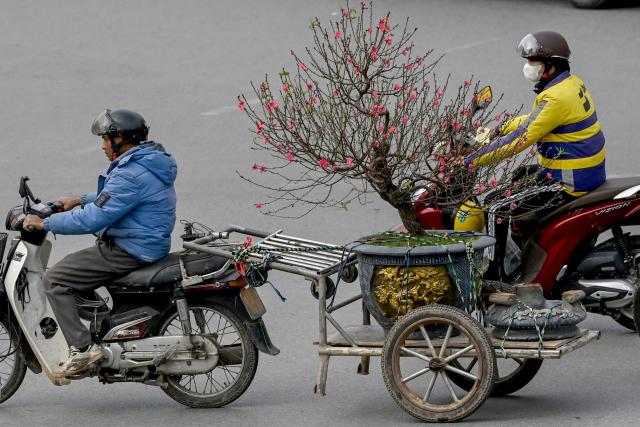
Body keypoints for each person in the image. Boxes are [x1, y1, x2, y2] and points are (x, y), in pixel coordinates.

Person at [23, 109, 177, 377]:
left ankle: (83, 350)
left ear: (120, 138)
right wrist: (79, 199)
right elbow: (115, 196)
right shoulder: (147, 162)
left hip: (131, 248)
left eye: (106, 138)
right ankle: (100, 322)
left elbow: (92, 220)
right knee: (79, 268)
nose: (103, 144)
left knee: (56, 280)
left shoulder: (130, 173)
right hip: (145, 241)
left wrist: (44, 223)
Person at [464, 31, 606, 280]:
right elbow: (531, 121)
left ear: (550, 65)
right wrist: (493, 131)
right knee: (519, 177)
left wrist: (470, 160)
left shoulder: (556, 98)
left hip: (569, 181)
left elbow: (520, 140)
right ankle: (527, 252)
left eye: (534, 62)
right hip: (582, 171)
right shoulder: (568, 84)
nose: (528, 67)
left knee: (496, 206)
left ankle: (495, 278)